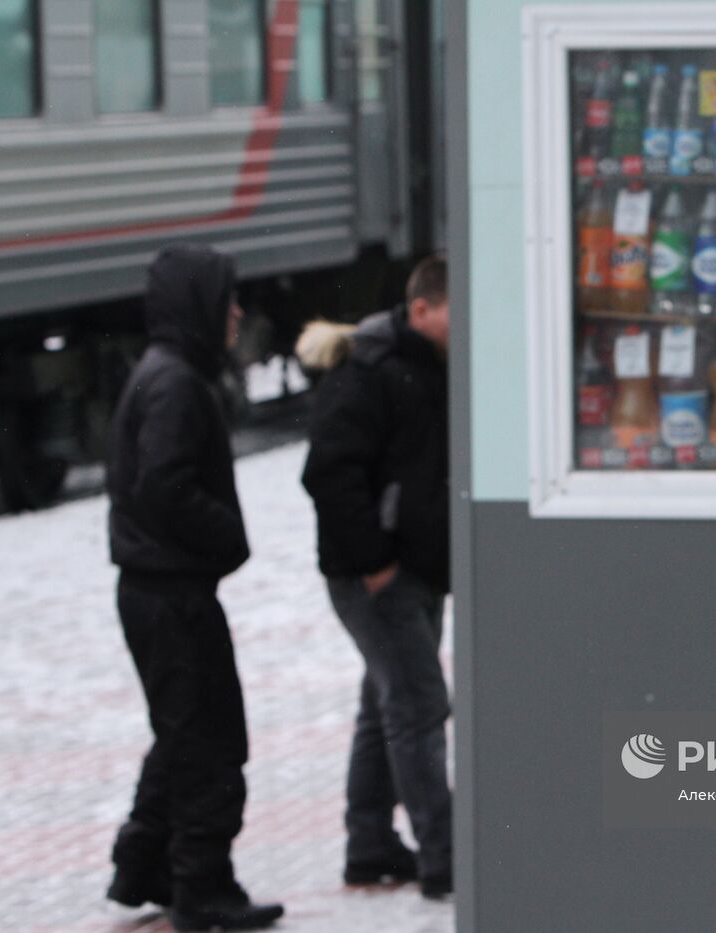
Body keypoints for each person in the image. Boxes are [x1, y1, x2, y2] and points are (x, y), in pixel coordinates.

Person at [105, 243, 284, 931]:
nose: (237, 312)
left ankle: (147, 865)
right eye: (227, 297)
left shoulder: (166, 373)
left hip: (158, 589)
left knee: (182, 732)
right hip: (170, 592)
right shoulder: (176, 383)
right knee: (208, 738)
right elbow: (165, 485)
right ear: (199, 304)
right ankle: (202, 887)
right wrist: (228, 535)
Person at [299, 254, 452, 900]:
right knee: (418, 703)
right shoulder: (372, 371)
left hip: (414, 567)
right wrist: (375, 564)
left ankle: (368, 842)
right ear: (421, 309)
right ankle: (448, 853)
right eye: (457, 311)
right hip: (379, 575)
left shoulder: (430, 364)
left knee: (383, 702)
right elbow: (328, 473)